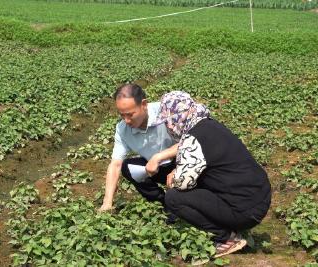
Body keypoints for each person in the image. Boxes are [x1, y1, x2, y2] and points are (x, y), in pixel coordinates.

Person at [154, 91, 271, 258]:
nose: (168, 126)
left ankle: (227, 239)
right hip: (260, 197)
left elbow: (181, 183)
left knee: (174, 198)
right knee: (201, 181)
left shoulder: (192, 139)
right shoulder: (209, 124)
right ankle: (235, 226)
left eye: (167, 122)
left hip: (245, 210)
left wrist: (174, 175)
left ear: (174, 119)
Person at [98, 83, 178, 213]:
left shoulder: (165, 112)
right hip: (155, 168)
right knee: (127, 167)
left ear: (144, 104)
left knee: (185, 200)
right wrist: (107, 202)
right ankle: (162, 202)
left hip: (182, 162)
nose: (126, 120)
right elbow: (115, 165)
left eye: (130, 114)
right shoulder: (122, 129)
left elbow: (192, 140)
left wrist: (164, 160)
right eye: (122, 115)